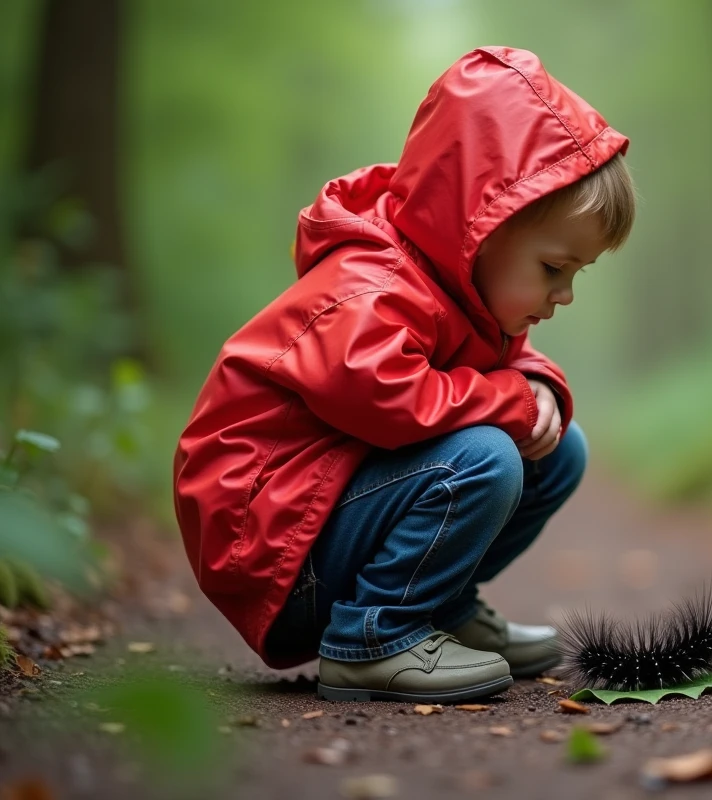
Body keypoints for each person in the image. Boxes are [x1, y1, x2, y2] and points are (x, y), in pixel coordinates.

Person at [173, 46, 636, 703]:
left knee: (557, 445)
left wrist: (535, 385)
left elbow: (499, 359)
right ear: (485, 226)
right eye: (554, 268)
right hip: (277, 552)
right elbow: (390, 399)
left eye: (576, 275)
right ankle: (372, 636)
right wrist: (508, 399)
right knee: (485, 456)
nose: (563, 294)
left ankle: (440, 609)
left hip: (324, 525)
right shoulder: (367, 287)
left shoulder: (459, 285)